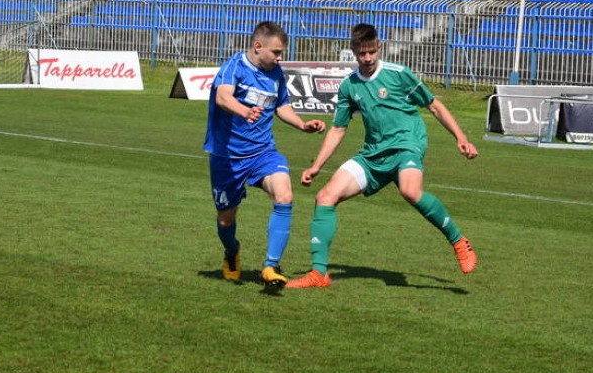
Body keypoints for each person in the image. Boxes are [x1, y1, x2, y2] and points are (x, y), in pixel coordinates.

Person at [287, 23, 479, 289]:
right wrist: (317, 166)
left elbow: (433, 106)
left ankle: (458, 241)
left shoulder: (399, 74)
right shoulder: (349, 86)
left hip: (406, 145)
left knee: (411, 192)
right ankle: (319, 273)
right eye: (361, 53)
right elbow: (339, 128)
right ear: (354, 51)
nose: (367, 59)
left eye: (371, 52)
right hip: (373, 154)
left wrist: (461, 138)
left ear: (379, 47)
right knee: (325, 197)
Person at [204, 21, 326, 289]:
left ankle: (271, 267)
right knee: (226, 219)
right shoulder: (234, 67)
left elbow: (281, 106)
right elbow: (223, 97)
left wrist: (302, 125)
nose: (280, 58)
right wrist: (244, 111)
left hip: (263, 152)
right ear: (258, 46)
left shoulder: (275, 73)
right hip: (228, 158)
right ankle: (231, 251)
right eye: (277, 52)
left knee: (285, 194)